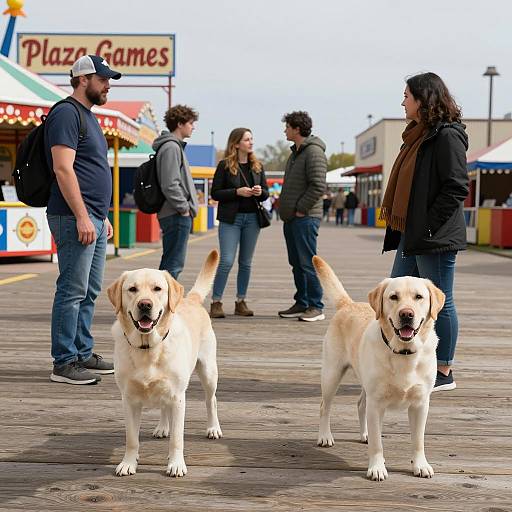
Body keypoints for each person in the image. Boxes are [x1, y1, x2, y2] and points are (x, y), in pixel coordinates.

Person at [380, 72, 469, 392]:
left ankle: (443, 370)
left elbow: (457, 186)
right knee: (395, 294)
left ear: (423, 99)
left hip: (434, 236)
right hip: (412, 233)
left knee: (439, 302)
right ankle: (402, 359)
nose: (402, 101)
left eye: (406, 95)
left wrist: (429, 226)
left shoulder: (446, 136)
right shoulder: (418, 135)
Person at [45, 55, 120, 385]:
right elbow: (63, 168)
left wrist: (100, 216)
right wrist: (81, 216)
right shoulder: (65, 113)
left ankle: (82, 351)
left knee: (89, 290)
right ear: (83, 79)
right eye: (103, 79)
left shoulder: (88, 117)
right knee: (72, 289)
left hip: (92, 217)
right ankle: (63, 362)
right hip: (73, 216)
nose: (108, 86)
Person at [210, 128, 269, 318]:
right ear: (236, 144)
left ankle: (240, 301)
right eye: (247, 139)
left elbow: (266, 193)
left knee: (246, 263)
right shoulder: (224, 165)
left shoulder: (257, 166)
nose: (251, 142)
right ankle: (216, 302)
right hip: (231, 219)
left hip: (253, 219)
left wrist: (260, 192)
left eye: (252, 139)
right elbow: (215, 193)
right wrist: (237, 192)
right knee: (226, 260)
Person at [278, 111, 327, 322]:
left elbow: (318, 185)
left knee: (307, 262)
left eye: (287, 127)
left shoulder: (313, 152)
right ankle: (302, 302)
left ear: (297, 129)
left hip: (305, 218)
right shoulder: (296, 152)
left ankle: (316, 305)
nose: (285, 130)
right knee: (296, 262)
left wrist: (301, 208)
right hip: (292, 218)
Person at [153, 105, 199, 280]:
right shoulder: (171, 147)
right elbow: (170, 184)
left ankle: (163, 303)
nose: (193, 127)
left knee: (171, 262)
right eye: (191, 123)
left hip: (174, 213)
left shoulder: (172, 147)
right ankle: (165, 305)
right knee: (173, 264)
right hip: (175, 214)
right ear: (180, 124)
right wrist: (184, 208)